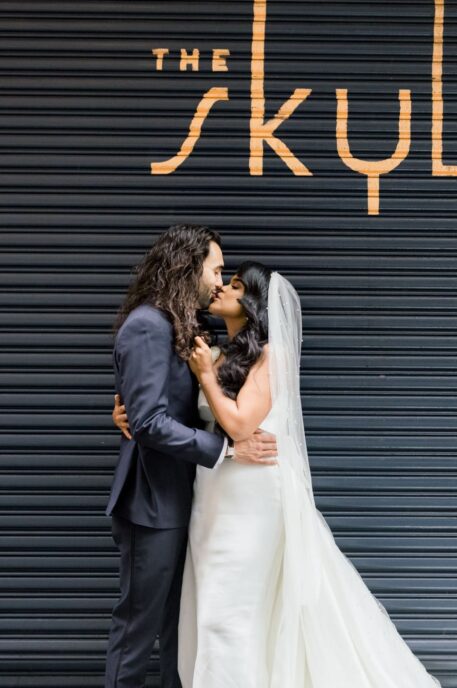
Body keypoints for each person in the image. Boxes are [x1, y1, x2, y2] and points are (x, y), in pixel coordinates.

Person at [114, 262, 441, 687]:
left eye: (233, 285)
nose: (221, 288)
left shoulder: (271, 356)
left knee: (233, 612)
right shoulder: (215, 352)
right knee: (209, 603)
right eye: (221, 276)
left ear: (252, 304)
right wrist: (127, 413)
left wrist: (207, 377)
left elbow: (240, 425)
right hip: (212, 493)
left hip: (251, 497)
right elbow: (164, 407)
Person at [104, 225, 278, 688]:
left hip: (186, 502)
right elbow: (148, 421)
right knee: (137, 633)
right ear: (188, 266)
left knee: (178, 634)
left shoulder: (182, 326)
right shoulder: (147, 324)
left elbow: (158, 404)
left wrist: (128, 412)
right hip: (152, 505)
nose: (219, 281)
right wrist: (225, 447)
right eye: (216, 269)